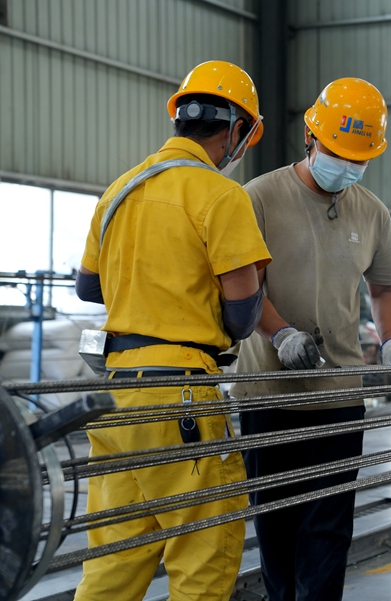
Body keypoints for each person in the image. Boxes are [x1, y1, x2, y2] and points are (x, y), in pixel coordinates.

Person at [73, 61, 271, 601]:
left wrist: (150, 286)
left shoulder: (119, 190)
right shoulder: (220, 196)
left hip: (116, 394)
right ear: (235, 129)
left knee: (113, 561)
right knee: (204, 554)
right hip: (180, 396)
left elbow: (88, 288)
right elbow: (242, 317)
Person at [231, 77, 391, 601]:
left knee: (329, 533)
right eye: (337, 153)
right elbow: (244, 286)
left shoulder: (371, 210)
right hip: (269, 396)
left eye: (358, 159)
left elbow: (383, 288)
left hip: (340, 397)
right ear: (310, 138)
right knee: (276, 528)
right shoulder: (261, 198)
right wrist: (282, 335)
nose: (346, 166)